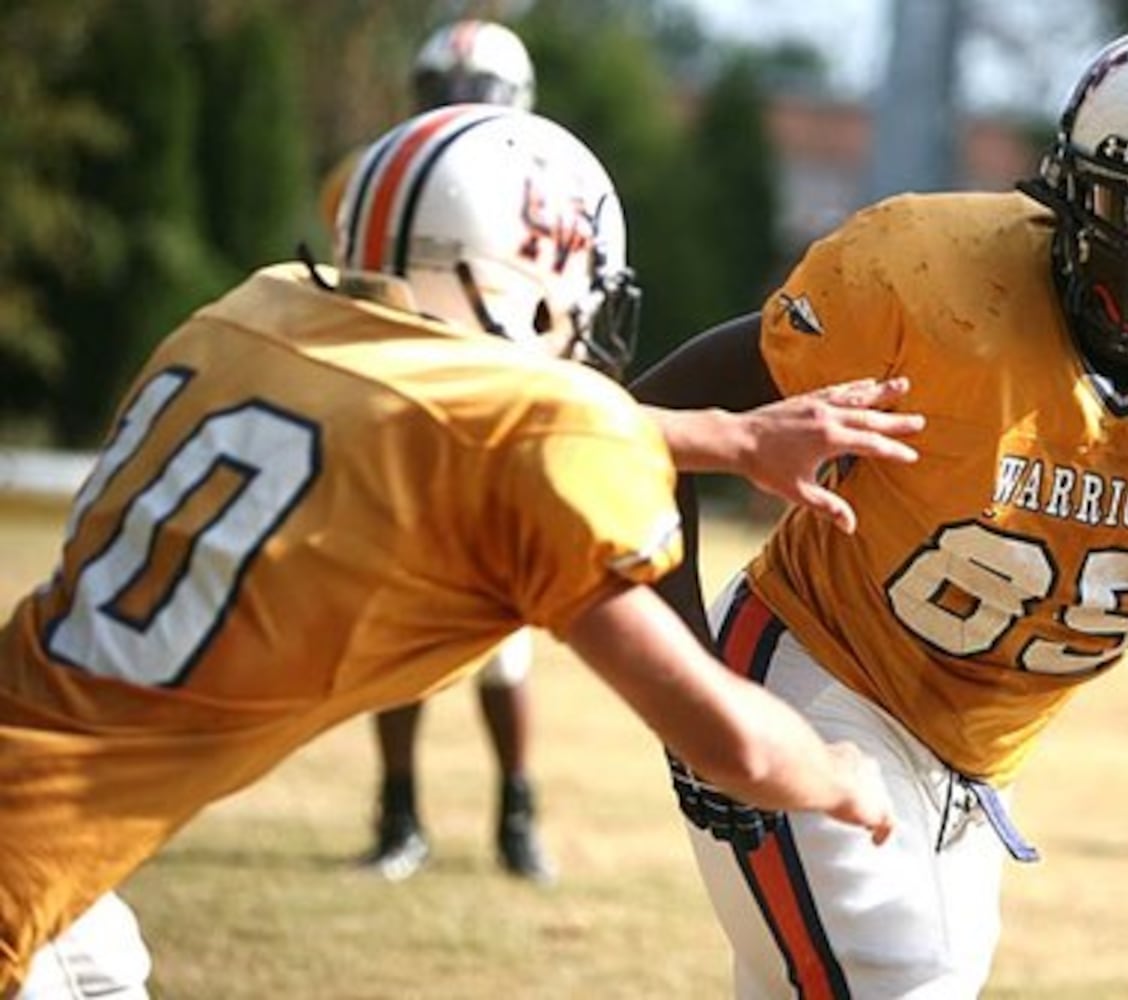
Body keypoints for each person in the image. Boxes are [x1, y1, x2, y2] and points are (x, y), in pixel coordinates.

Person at [0, 105, 923, 996]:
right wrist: (841, 776)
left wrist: (730, 436)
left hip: (40, 811)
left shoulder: (255, 311)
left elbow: (451, 411)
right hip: (21, 865)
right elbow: (728, 744)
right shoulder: (520, 440)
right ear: (524, 284)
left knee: (103, 968)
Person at [630, 24, 1128, 998]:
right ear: (1071, 192)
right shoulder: (928, 283)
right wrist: (699, 702)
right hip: (818, 672)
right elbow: (633, 437)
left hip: (974, 762)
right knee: (895, 980)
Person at [326, 17, 555, 884]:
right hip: (408, 408)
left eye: (475, 93)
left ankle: (517, 816)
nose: (457, 107)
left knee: (504, 645)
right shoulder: (382, 175)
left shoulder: (541, 185)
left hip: (495, 414)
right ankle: (400, 816)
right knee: (396, 638)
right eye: (444, 92)